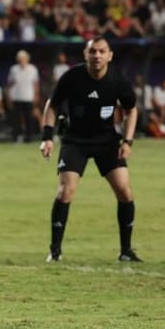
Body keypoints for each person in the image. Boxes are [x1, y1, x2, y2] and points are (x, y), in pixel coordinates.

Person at [40, 37, 141, 262]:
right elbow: (52, 104)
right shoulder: (72, 77)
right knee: (65, 191)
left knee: (125, 190)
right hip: (75, 141)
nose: (97, 55)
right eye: (92, 51)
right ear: (85, 55)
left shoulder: (118, 80)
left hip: (107, 142)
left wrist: (127, 141)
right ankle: (55, 251)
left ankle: (126, 251)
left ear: (110, 55)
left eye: (101, 51)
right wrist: (47, 137)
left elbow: (131, 110)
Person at [7, 50, 40, 142]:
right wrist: (9, 96)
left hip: (28, 97)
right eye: (20, 58)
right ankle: (16, 136)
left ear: (27, 59)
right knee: (16, 119)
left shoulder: (33, 69)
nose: (22, 60)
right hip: (16, 97)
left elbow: (36, 84)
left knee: (29, 118)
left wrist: (36, 95)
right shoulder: (13, 69)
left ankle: (29, 137)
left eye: (24, 58)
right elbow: (9, 84)